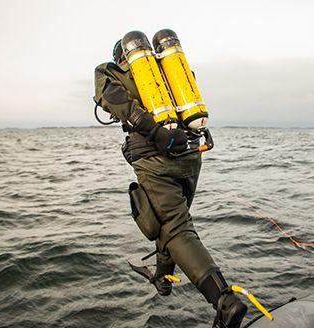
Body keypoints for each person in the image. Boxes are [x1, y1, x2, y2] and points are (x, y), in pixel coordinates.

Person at [93, 40, 247, 327]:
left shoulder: (110, 71)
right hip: (191, 154)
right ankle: (162, 277)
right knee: (170, 222)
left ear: (121, 57)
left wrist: (152, 131)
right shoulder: (167, 69)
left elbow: (108, 96)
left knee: (175, 228)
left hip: (155, 155)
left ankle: (224, 301)